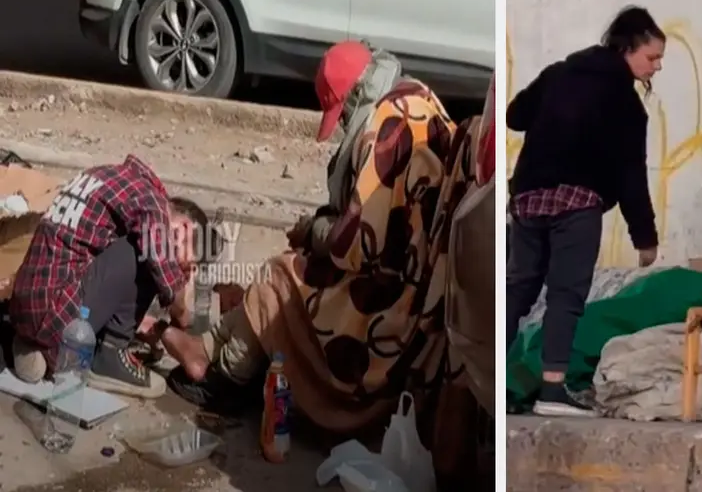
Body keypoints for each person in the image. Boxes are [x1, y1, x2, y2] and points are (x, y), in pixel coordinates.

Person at [152, 41, 485, 445]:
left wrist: (312, 231)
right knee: (294, 264)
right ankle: (206, 348)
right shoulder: (418, 99)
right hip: (422, 284)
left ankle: (223, 375)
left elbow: (357, 246)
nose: (344, 123)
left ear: (352, 98)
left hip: (395, 307)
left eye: (341, 113)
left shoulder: (385, 129)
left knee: (281, 275)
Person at [505, 5, 665, 417]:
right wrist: (644, 238)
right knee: (565, 294)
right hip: (576, 204)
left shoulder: (559, 72)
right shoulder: (627, 105)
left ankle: (491, 376)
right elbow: (631, 176)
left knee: (518, 287)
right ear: (627, 49)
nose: (657, 67)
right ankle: (552, 390)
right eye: (652, 57)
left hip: (528, 198)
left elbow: (515, 116)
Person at [8, 155, 203, 398]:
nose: (184, 268)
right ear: (184, 228)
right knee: (144, 251)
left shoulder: (106, 176)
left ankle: (36, 346)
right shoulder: (151, 204)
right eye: (189, 262)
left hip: (26, 309)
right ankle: (110, 356)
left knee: (136, 244)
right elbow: (181, 313)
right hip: (59, 321)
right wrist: (185, 283)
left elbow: (92, 261)